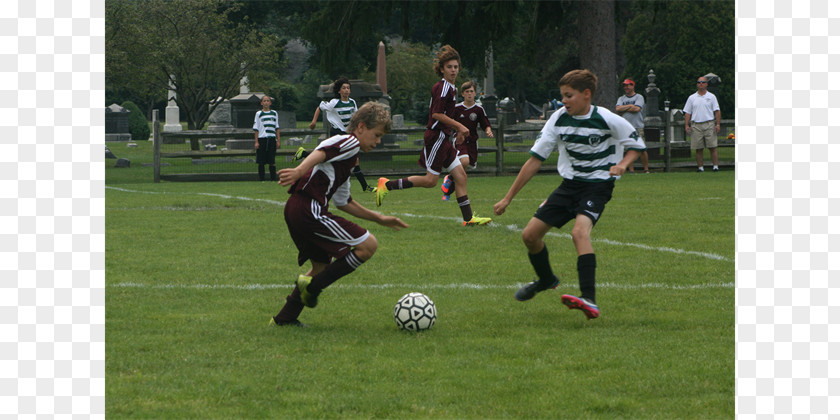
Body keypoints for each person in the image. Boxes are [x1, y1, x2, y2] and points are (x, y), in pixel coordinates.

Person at [492, 69, 646, 320]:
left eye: (569, 95)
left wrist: (623, 164)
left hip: (598, 185)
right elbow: (534, 161)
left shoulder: (607, 118)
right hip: (570, 185)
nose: (564, 101)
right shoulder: (558, 119)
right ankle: (546, 279)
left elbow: (636, 146)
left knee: (579, 232)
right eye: (562, 95)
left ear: (586, 95)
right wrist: (508, 198)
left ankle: (589, 299)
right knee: (530, 236)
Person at [270, 102, 408, 327]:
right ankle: (312, 289)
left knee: (320, 268)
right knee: (368, 245)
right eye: (377, 135)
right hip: (309, 209)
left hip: (297, 209)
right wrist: (298, 170)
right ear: (361, 127)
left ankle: (286, 318)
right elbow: (321, 152)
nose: (378, 141)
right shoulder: (349, 141)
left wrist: (380, 218)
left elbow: (344, 202)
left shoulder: (350, 158)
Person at [373, 45, 492, 226]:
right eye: (450, 67)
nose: (453, 70)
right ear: (442, 69)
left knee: (461, 176)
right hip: (436, 137)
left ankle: (468, 219)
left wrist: (455, 131)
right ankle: (386, 185)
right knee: (430, 181)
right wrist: (460, 126)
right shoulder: (443, 87)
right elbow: (436, 114)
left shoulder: (451, 88)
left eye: (456, 67)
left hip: (444, 138)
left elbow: (446, 115)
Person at [301, 77, 374, 191]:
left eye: (348, 88)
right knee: (331, 157)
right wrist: (314, 122)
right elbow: (320, 107)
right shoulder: (334, 103)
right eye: (344, 88)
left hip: (348, 134)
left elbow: (356, 117)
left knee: (353, 159)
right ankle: (305, 155)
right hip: (337, 133)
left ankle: (364, 186)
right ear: (339, 91)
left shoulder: (352, 102)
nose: (346, 90)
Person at [439, 80, 493, 201]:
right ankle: (455, 188)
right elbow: (448, 122)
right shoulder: (457, 108)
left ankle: (449, 189)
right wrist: (457, 131)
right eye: (467, 92)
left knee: (462, 172)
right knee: (464, 162)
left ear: (475, 93)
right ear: (462, 94)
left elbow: (485, 123)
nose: (469, 94)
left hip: (473, 142)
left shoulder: (479, 109)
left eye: (472, 91)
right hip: (459, 141)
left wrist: (488, 130)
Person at [683, 76, 721, 172]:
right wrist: (687, 125)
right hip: (696, 125)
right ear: (697, 84)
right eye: (699, 82)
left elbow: (717, 110)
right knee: (698, 148)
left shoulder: (711, 97)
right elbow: (688, 112)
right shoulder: (692, 98)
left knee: (712, 147)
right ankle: (700, 168)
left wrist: (718, 124)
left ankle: (715, 166)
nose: (701, 84)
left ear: (706, 84)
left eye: (703, 82)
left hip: (709, 123)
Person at [615, 78, 649, 173]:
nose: (626, 87)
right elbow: (617, 109)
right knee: (629, 148)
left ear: (633, 86)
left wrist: (624, 108)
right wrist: (630, 106)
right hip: (626, 127)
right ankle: (631, 170)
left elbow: (637, 109)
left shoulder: (639, 97)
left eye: (628, 85)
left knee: (642, 148)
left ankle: (646, 169)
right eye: (624, 86)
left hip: (638, 126)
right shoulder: (621, 98)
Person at [253, 95, 281, 182]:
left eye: (267, 101)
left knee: (271, 159)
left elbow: (277, 127)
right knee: (261, 160)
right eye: (264, 101)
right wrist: (256, 141)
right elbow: (256, 128)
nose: (266, 103)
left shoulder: (274, 113)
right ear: (261, 103)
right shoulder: (258, 114)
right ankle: (262, 179)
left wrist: (278, 140)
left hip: (271, 138)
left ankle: (273, 178)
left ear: (270, 103)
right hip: (262, 138)